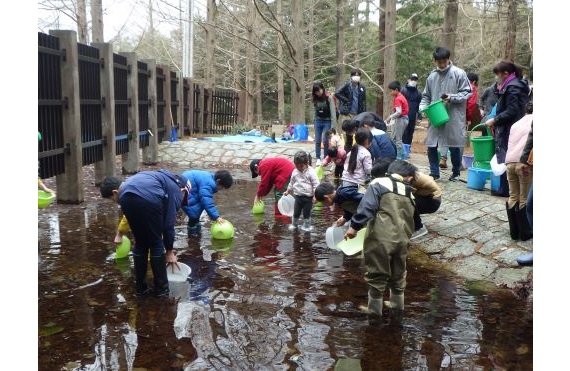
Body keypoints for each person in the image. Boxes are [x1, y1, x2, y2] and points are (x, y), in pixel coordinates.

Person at [100, 170, 192, 297]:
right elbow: (168, 224)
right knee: (156, 242)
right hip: (150, 200)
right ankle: (162, 291)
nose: (183, 200)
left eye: (112, 200)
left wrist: (119, 233)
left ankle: (141, 288)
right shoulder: (176, 191)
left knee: (141, 242)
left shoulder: (132, 184)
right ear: (183, 191)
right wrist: (169, 252)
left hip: (132, 201)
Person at [344, 160, 417, 316]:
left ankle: (374, 312)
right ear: (407, 177)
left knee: (377, 274)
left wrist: (354, 227)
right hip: (403, 239)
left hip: (381, 238)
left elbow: (367, 206)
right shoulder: (409, 191)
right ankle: (397, 308)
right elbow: (416, 221)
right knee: (398, 273)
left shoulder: (379, 183)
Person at [419, 46, 472, 181]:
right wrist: (423, 107)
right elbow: (426, 96)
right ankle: (434, 172)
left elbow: (467, 92)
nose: (442, 64)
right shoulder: (432, 77)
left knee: (454, 144)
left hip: (453, 116)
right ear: (434, 61)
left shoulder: (459, 73)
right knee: (432, 144)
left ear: (449, 59)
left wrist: (452, 97)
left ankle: (455, 172)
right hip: (435, 116)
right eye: (439, 62)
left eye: (444, 61)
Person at [484, 60, 531, 197]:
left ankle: (506, 190)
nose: (496, 77)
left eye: (497, 74)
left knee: (508, 157)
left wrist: (495, 120)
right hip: (513, 126)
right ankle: (505, 189)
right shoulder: (511, 84)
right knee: (508, 156)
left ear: (506, 73)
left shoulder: (513, 87)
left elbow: (512, 110)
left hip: (512, 127)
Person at [504, 102, 533, 241]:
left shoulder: (516, 124)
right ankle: (525, 233)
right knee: (524, 198)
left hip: (509, 162)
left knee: (513, 196)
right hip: (524, 163)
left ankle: (514, 232)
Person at [441, 72, 481, 168]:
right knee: (460, 138)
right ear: (474, 81)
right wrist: (468, 117)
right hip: (461, 116)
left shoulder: (457, 84)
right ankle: (458, 164)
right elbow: (471, 104)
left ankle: (443, 158)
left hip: (448, 112)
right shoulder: (472, 88)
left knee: (446, 135)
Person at [180, 169, 234, 237]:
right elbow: (207, 202)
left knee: (199, 207)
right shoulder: (209, 184)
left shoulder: (210, 179)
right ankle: (191, 230)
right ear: (218, 181)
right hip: (185, 188)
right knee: (193, 213)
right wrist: (216, 217)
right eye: (222, 187)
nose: (221, 190)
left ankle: (195, 224)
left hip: (191, 187)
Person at [283, 151, 320, 232]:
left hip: (308, 199)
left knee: (306, 215)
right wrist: (288, 191)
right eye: (296, 166)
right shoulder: (295, 172)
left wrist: (315, 196)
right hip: (298, 198)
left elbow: (316, 185)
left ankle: (307, 227)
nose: (299, 168)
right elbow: (291, 182)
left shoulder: (311, 172)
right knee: (295, 214)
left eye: (301, 166)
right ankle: (294, 225)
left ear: (306, 163)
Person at [311, 81, 337, 165]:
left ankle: (326, 157)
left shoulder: (328, 98)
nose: (318, 93)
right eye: (316, 92)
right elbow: (315, 111)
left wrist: (333, 127)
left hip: (327, 121)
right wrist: (314, 121)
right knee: (318, 140)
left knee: (325, 140)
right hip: (318, 121)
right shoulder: (315, 99)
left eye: (319, 90)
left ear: (322, 89)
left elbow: (333, 113)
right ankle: (318, 157)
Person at [335, 68, 367, 134]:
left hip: (358, 113)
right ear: (351, 76)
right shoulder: (347, 85)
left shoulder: (362, 88)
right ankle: (348, 144)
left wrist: (364, 113)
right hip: (348, 112)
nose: (356, 76)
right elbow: (337, 93)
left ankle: (357, 144)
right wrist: (346, 100)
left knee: (358, 131)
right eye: (355, 75)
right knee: (348, 132)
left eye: (358, 75)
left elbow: (363, 101)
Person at [385, 81, 409, 160]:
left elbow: (398, 112)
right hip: (402, 119)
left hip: (401, 119)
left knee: (398, 139)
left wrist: (390, 117)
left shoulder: (398, 98)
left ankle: (401, 157)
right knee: (394, 137)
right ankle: (396, 155)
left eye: (391, 90)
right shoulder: (401, 96)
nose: (390, 92)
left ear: (396, 90)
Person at [401, 73, 422, 146]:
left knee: (411, 132)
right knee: (404, 133)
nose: (414, 81)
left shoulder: (418, 93)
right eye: (412, 79)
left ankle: (407, 149)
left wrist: (419, 116)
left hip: (412, 116)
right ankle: (403, 150)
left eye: (415, 80)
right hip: (403, 116)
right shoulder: (403, 90)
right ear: (408, 80)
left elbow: (420, 105)